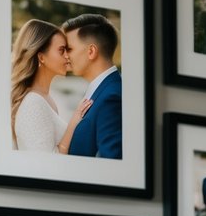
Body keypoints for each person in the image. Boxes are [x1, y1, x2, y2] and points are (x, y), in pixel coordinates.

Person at [10, 20, 91, 152]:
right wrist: (74, 121)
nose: (67, 56)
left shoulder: (46, 98)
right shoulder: (33, 103)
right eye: (61, 50)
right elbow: (46, 165)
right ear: (41, 57)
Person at [62, 14, 122, 158]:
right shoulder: (102, 89)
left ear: (91, 51)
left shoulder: (111, 97)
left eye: (69, 49)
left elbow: (110, 161)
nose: (65, 55)